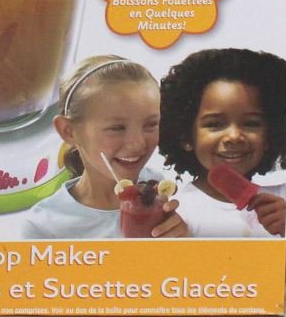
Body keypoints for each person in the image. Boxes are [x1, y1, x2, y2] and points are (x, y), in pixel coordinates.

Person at [20, 55, 187, 239]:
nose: (138, 143)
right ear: (69, 131)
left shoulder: (155, 188)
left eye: (151, 125)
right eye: (117, 128)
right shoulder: (43, 227)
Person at [158, 48, 286, 238]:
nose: (234, 136)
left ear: (271, 135)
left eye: (251, 123)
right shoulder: (174, 213)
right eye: (215, 124)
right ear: (186, 136)